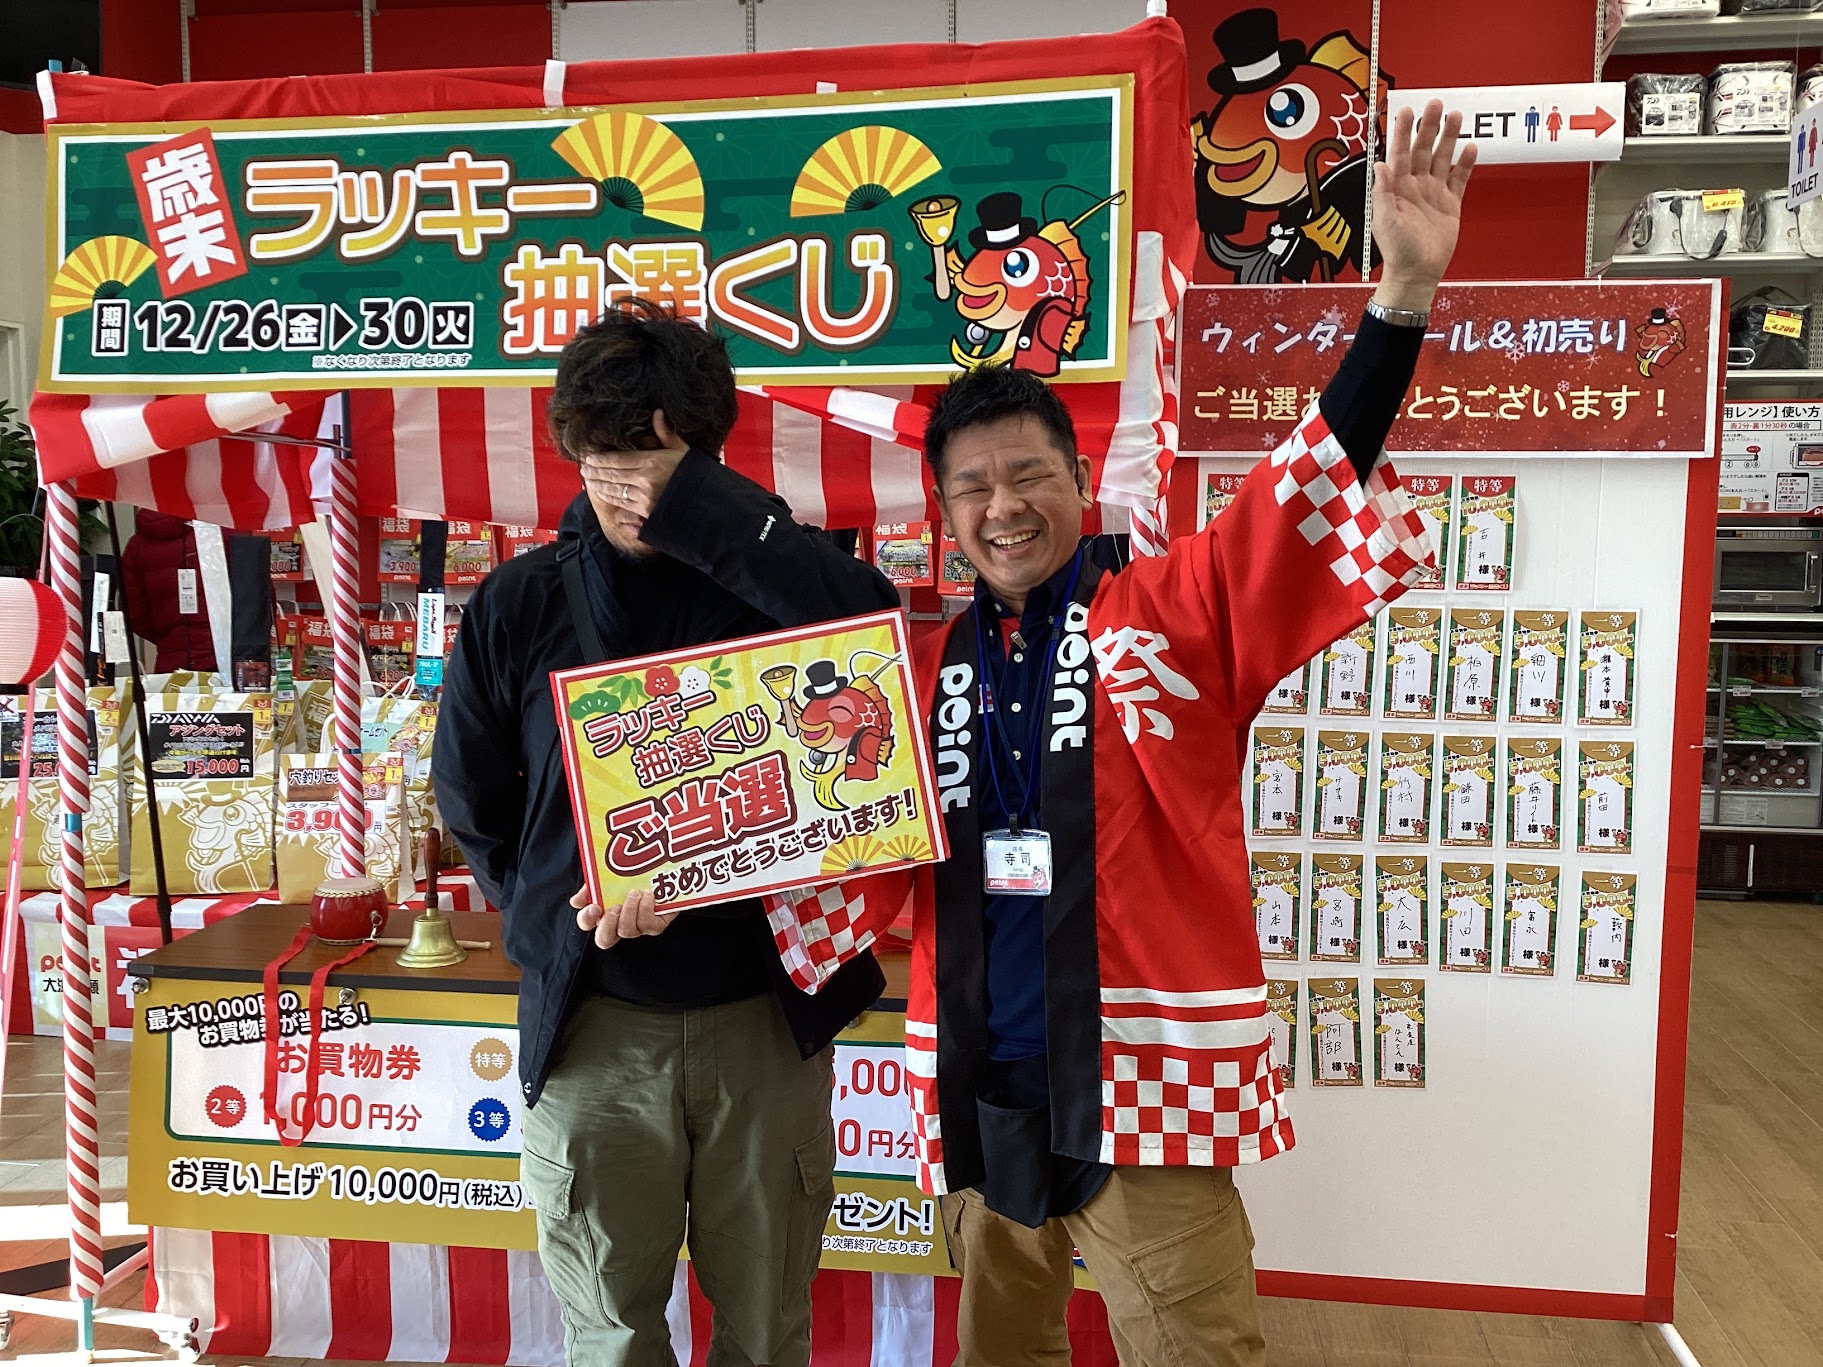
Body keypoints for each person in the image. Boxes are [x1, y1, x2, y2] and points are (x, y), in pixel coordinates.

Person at [780, 100, 1477, 1364]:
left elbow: (1298, 487)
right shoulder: (911, 667)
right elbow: (810, 802)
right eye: (972, 486)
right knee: (1000, 1349)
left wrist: (1400, 299)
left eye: (1028, 475)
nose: (1003, 506)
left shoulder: (1165, 616)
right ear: (943, 515)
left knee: (1194, 1348)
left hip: (1142, 1084)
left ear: (1077, 483)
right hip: (976, 1077)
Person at [432, 300, 895, 1367]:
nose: (629, 490)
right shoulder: (518, 602)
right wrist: (565, 902)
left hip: (763, 1019)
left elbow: (874, 637)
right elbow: (470, 800)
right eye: (604, 461)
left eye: (656, 463)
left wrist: (714, 516)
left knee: (767, 1327)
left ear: (705, 455)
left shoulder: (774, 578)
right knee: (610, 1332)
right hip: (595, 1028)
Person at [119, 509, 216, 671]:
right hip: (223, 660)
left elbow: (133, 613)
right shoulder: (220, 533)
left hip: (171, 662)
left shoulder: (136, 546)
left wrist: (169, 640)